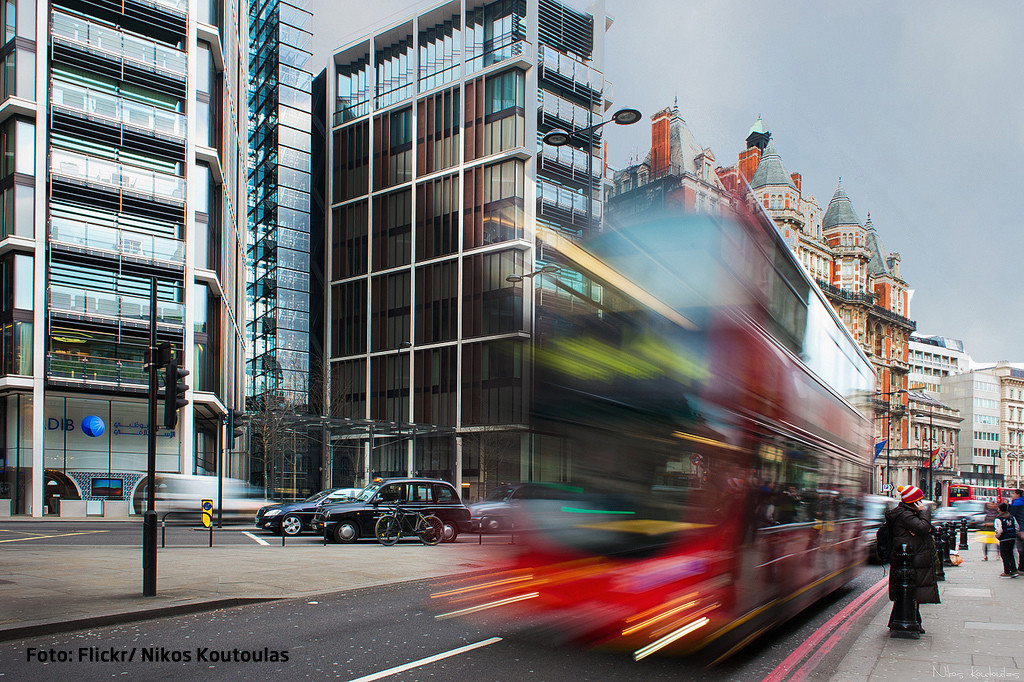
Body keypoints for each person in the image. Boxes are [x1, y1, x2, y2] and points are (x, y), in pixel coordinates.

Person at [885, 485, 939, 636]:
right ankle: (910, 622)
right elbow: (923, 528)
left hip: (913, 558)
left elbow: (929, 529)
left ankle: (902, 621)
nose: (921, 503)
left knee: (909, 592)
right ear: (914, 502)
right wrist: (923, 512)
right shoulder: (905, 515)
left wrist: (924, 526)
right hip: (910, 559)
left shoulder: (908, 514)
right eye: (919, 500)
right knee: (910, 591)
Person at [994, 502, 1019, 578]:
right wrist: (1013, 533)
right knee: (1010, 554)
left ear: (999, 509)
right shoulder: (1011, 517)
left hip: (1004, 538)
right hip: (1012, 538)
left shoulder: (998, 519)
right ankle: (1014, 570)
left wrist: (997, 536)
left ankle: (1007, 571)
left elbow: (999, 530)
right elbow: (1017, 527)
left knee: (1004, 554)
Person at [1010, 489, 1024, 569]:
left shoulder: (1017, 503)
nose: (1012, 495)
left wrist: (1021, 530)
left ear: (1017, 494)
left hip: (1020, 530)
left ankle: (1021, 567)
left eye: (1013, 493)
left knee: (1020, 550)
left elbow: (1014, 516)